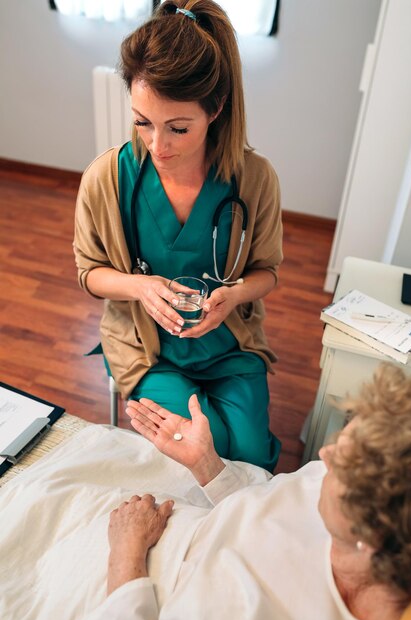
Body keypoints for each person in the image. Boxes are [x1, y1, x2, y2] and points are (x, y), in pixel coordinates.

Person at [73, 0, 283, 472]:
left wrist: (235, 296)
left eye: (178, 128)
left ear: (217, 108)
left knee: (250, 456)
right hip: (148, 349)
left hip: (228, 343)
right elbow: (89, 273)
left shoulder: (254, 179)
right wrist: (140, 287)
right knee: (203, 449)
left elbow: (266, 270)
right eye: (142, 121)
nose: (157, 145)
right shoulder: (107, 179)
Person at [89, 363, 411, 620]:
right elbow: (266, 507)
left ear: (371, 536)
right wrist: (206, 464)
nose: (324, 455)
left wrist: (127, 550)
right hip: (174, 514)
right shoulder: (338, 494)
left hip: (117, 583)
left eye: (340, 465)